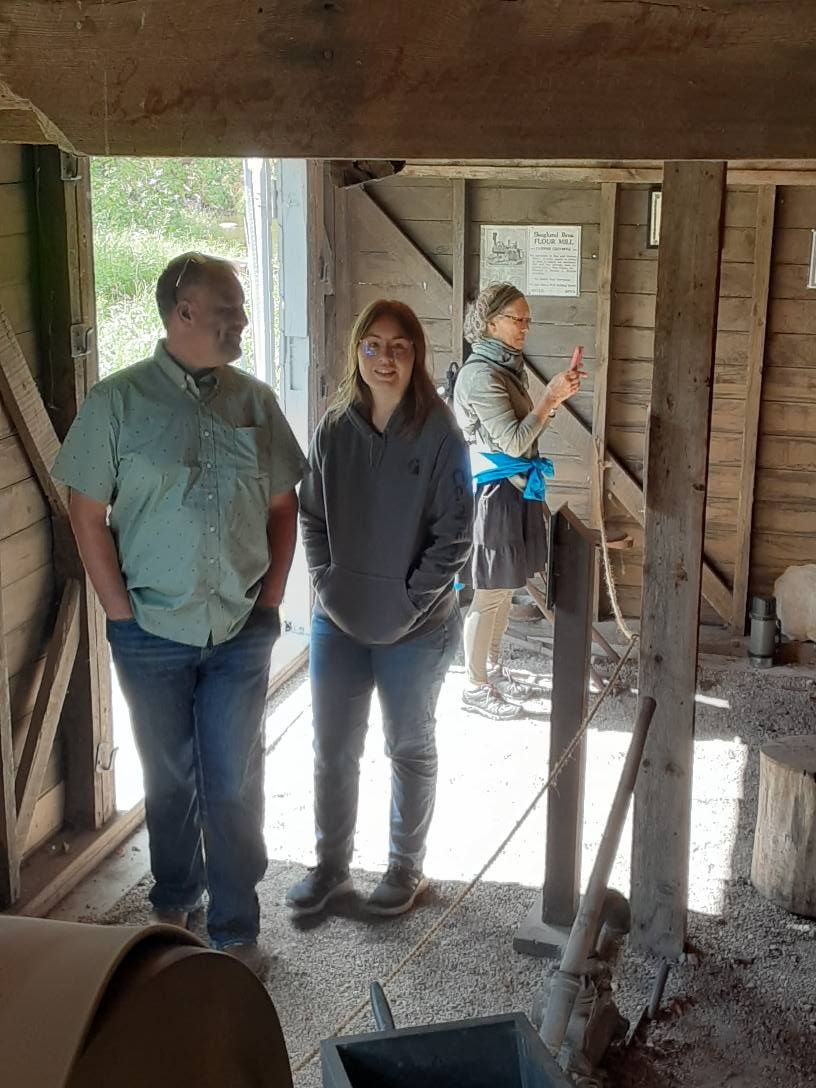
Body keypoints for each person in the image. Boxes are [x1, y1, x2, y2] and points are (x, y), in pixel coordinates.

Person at [52, 252, 306, 975]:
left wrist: (271, 598)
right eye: (229, 310)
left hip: (238, 630)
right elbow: (85, 511)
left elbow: (283, 505)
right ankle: (175, 896)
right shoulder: (117, 404)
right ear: (184, 312)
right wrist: (120, 614)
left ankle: (234, 927)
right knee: (167, 778)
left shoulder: (254, 402)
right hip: (149, 634)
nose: (244, 323)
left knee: (230, 781)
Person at [286, 300, 473, 918]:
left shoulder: (441, 432)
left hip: (414, 630)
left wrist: (408, 603)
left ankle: (405, 868)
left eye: (399, 346)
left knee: (408, 746)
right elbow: (311, 515)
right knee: (332, 748)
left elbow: (455, 536)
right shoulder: (335, 426)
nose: (384, 358)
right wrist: (325, 582)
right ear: (355, 352)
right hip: (337, 622)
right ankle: (331, 867)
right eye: (372, 344)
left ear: (416, 355)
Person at [453, 282, 585, 721]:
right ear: (491, 323)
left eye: (528, 319)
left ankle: (490, 669)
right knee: (488, 595)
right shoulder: (480, 375)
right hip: (494, 493)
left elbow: (526, 436)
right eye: (517, 319)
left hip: (515, 489)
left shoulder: (506, 368)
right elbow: (512, 443)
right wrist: (549, 398)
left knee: (505, 590)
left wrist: (553, 400)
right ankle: (474, 687)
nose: (525, 326)